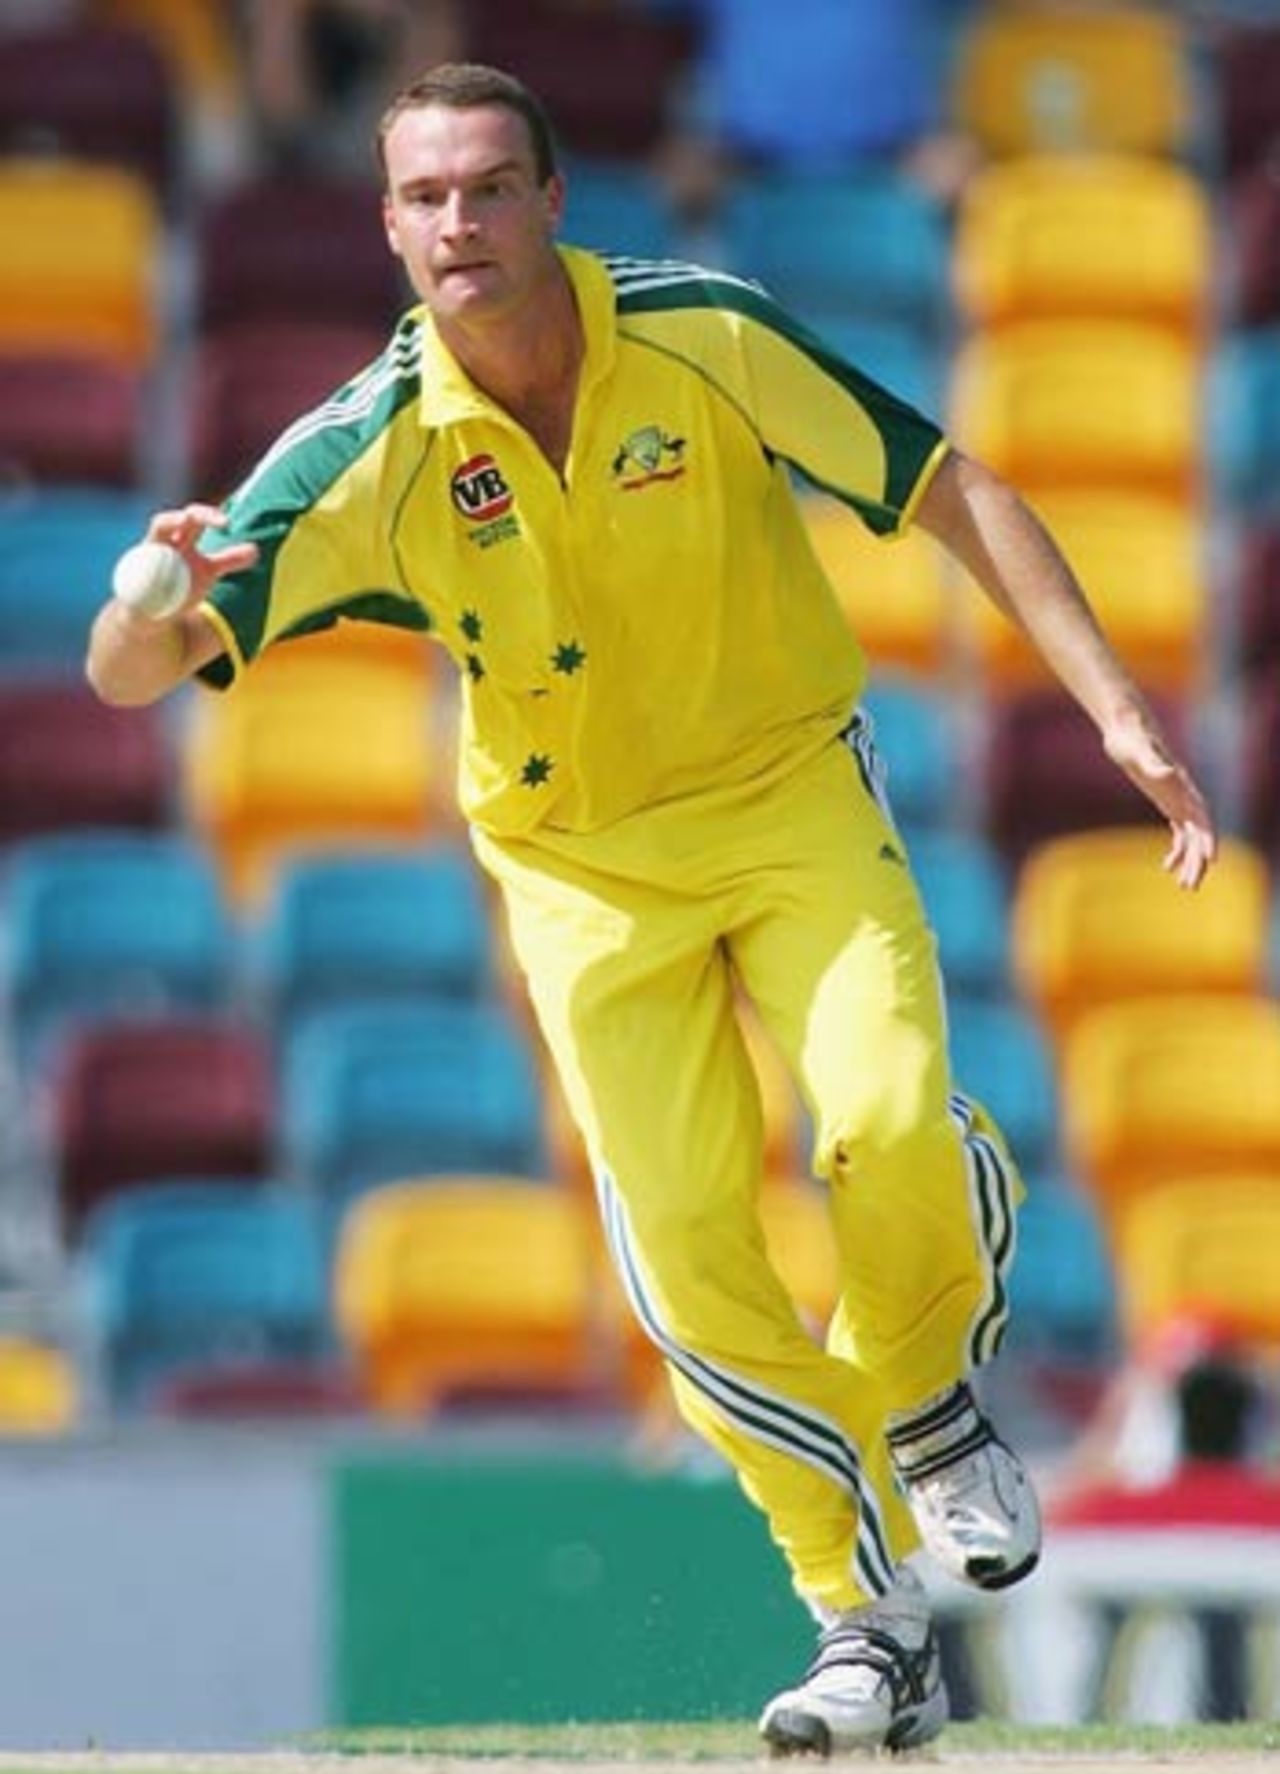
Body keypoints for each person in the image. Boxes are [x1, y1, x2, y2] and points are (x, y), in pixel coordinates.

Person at [84, 61, 1218, 1755]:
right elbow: (133, 676)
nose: (457, 222)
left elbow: (953, 486)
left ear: (552, 201)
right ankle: (860, 1614)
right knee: (691, 1264)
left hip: (788, 798)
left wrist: (1120, 709)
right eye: (424, 198)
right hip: (582, 872)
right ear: (389, 229)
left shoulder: (705, 330)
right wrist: (144, 591)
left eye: (486, 187)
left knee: (897, 1119)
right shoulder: (366, 449)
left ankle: (926, 1401)